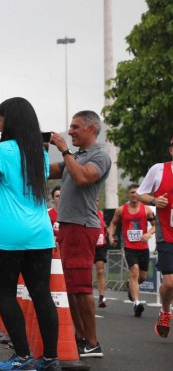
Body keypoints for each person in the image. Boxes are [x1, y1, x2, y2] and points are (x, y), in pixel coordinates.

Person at [0, 97, 59, 371]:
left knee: (6, 295)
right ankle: (51, 359)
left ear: (10, 120)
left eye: (0, 118)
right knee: (42, 296)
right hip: (41, 235)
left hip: (9, 237)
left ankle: (22, 357)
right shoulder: (39, 153)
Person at [48, 110, 111, 358]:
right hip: (68, 226)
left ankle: (92, 341)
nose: (70, 131)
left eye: (75, 127)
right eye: (70, 127)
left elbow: (83, 177)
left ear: (91, 129)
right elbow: (48, 170)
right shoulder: (77, 156)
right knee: (72, 287)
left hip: (81, 225)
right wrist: (40, 149)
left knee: (81, 287)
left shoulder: (99, 156)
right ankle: (80, 336)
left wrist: (64, 150)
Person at [136, 140, 173, 338]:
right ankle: (165, 311)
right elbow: (140, 194)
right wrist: (154, 201)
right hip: (166, 233)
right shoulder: (159, 170)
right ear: (170, 150)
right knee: (170, 283)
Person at [107, 184, 155, 317]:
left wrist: (148, 234)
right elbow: (113, 223)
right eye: (132, 192)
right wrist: (111, 236)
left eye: (137, 192)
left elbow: (155, 226)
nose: (135, 194)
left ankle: (131, 288)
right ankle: (136, 303)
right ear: (129, 195)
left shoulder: (146, 210)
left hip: (143, 247)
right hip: (129, 246)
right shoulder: (121, 210)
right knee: (134, 271)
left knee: (142, 276)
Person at [94, 199, 108, 308]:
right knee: (87, 271)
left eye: (98, 200)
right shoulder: (84, 213)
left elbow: (106, 227)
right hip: (88, 245)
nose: (95, 202)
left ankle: (101, 296)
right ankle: (86, 294)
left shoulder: (101, 214)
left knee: (100, 270)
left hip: (100, 245)